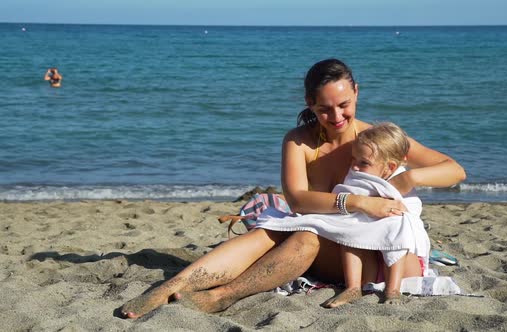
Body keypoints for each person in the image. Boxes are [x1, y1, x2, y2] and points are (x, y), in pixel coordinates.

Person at [120, 58, 466, 318]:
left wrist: (408, 179)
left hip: (376, 255)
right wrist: (358, 201)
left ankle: (225, 294)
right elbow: (298, 200)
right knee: (266, 233)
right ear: (309, 104)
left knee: (304, 236)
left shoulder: (377, 141)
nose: (337, 117)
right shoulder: (299, 142)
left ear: (357, 92)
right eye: (324, 109)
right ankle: (172, 286)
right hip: (329, 241)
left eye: (344, 105)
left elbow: (455, 170)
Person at [255, 122, 430, 308]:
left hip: (400, 263)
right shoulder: (357, 175)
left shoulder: (399, 179)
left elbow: (409, 211)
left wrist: (388, 213)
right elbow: (347, 195)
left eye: (364, 163)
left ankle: (393, 289)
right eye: (353, 159)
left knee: (395, 227)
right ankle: (353, 286)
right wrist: (359, 210)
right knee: (350, 229)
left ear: (389, 167)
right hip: (369, 263)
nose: (354, 167)